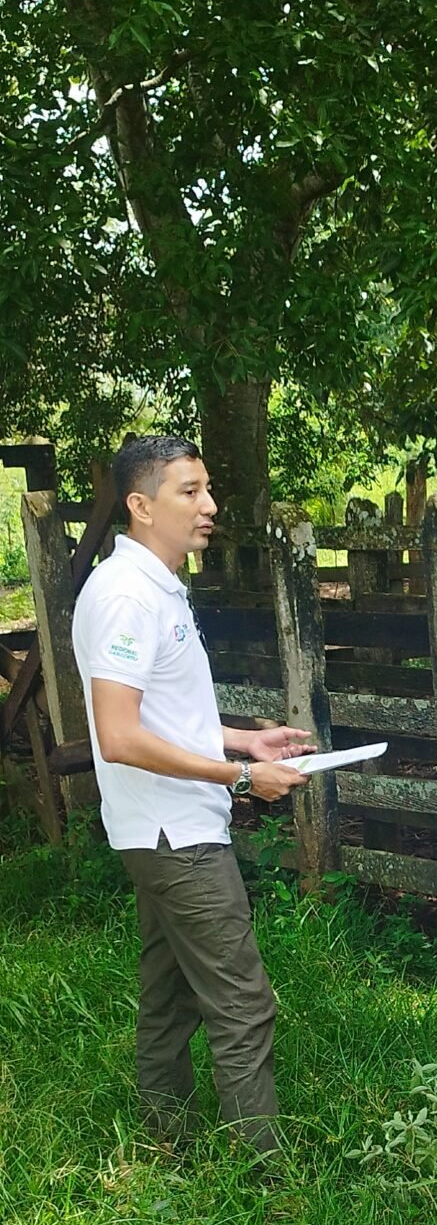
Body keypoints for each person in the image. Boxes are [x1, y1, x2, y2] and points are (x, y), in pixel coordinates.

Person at [71, 435, 315, 1156]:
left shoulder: (154, 589)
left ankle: (164, 1142)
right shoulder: (123, 597)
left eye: (207, 489)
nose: (209, 506)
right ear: (141, 506)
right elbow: (117, 736)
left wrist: (242, 742)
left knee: (170, 995)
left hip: (163, 828)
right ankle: (262, 1178)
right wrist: (241, 779)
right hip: (174, 835)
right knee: (242, 1004)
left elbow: (165, 720)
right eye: (189, 492)